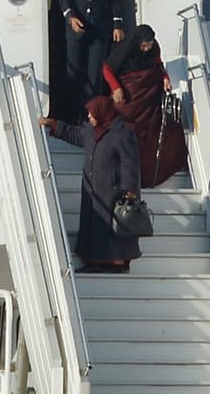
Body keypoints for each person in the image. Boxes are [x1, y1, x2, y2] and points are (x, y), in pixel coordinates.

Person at [39, 97, 142, 273]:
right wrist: (55, 125)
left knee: (112, 226)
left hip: (113, 191)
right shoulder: (91, 130)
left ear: (102, 112)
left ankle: (117, 262)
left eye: (92, 113)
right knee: (96, 225)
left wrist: (130, 190)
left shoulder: (121, 133)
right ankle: (96, 261)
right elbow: (75, 134)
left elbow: (129, 163)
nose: (89, 116)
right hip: (94, 189)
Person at [102, 24, 188, 187]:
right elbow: (107, 68)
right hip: (130, 94)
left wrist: (165, 78)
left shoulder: (154, 48)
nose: (147, 48)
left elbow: (158, 64)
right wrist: (116, 88)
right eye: (144, 45)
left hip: (148, 98)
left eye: (149, 44)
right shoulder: (125, 50)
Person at [56, 0, 123, 121]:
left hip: (99, 28)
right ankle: (75, 114)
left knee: (95, 75)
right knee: (74, 73)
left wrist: (117, 23)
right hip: (76, 28)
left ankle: (90, 116)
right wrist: (70, 17)